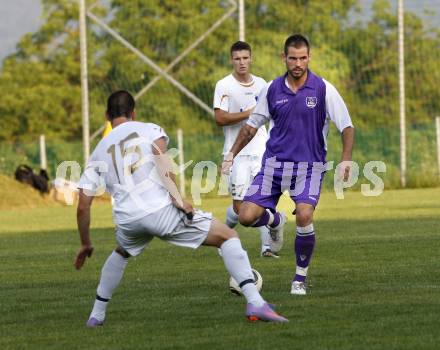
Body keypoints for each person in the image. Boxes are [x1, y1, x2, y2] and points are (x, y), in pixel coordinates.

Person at [75, 90, 288, 327]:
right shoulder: (149, 129)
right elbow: (160, 158)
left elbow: (83, 206)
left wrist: (85, 243)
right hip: (160, 211)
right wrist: (177, 198)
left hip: (127, 219)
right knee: (228, 236)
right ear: (134, 112)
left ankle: (96, 315)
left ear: (107, 115)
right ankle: (255, 302)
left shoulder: (99, 150)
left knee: (121, 252)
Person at [222, 34, 355, 296]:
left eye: (302, 58)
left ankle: (299, 279)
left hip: (309, 167)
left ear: (309, 57)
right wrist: (231, 154)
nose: (298, 63)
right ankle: (276, 220)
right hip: (274, 166)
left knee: (305, 215)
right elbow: (251, 126)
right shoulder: (272, 89)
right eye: (292, 58)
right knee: (246, 216)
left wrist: (346, 159)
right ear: (284, 58)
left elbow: (347, 126)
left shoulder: (323, 89)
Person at [213, 41, 278, 258]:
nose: (242, 62)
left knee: (260, 201)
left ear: (251, 58)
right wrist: (250, 113)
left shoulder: (262, 84)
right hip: (236, 153)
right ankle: (224, 237)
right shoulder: (224, 85)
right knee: (241, 209)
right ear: (232, 60)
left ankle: (266, 247)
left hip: (261, 150)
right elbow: (220, 118)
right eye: (237, 58)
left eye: (245, 58)